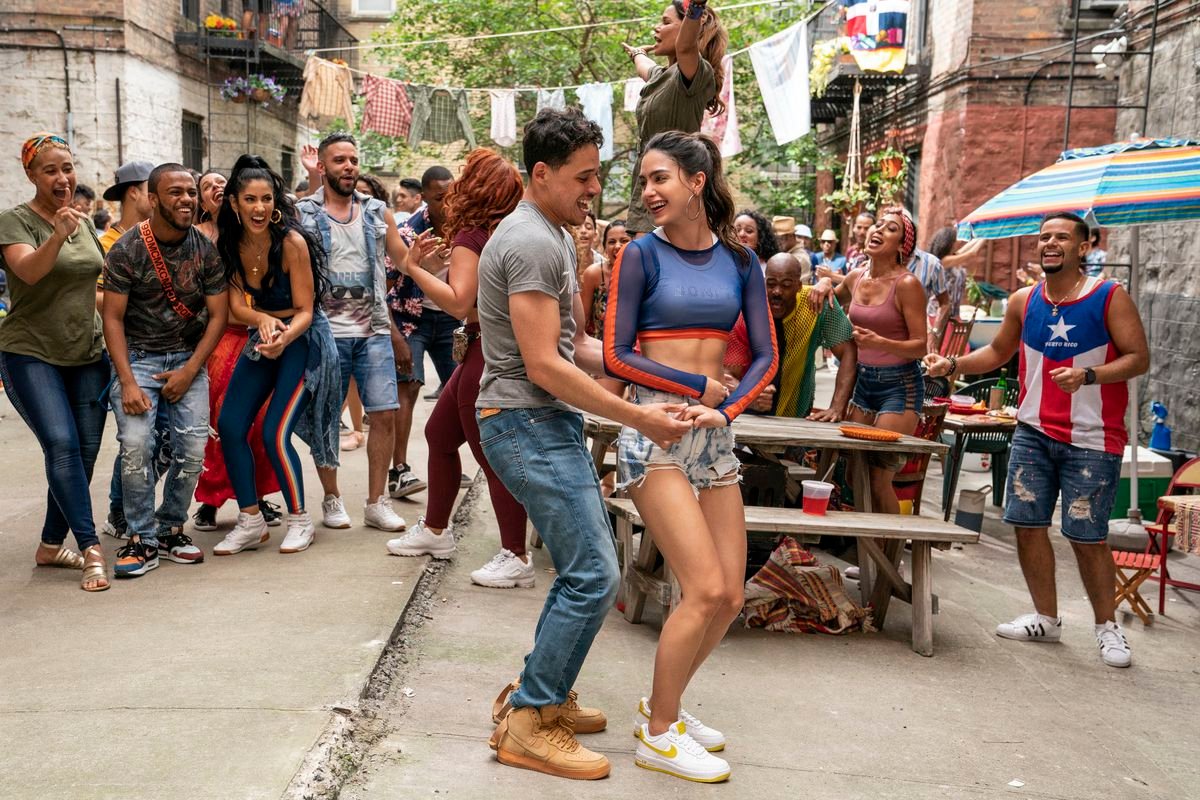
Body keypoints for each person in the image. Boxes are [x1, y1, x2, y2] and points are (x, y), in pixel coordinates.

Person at [478, 109, 691, 781]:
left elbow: (581, 349)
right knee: (596, 573)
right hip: (525, 421)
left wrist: (669, 381)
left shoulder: (550, 234)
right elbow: (544, 365)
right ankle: (530, 722)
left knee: (583, 568)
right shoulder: (533, 241)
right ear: (540, 175)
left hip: (540, 421)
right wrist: (641, 420)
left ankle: (538, 693)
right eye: (584, 177)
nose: (595, 190)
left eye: (597, 175)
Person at [603, 130, 775, 783]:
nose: (648, 192)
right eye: (644, 181)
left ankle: (665, 709)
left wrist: (725, 410)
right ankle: (657, 735)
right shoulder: (640, 255)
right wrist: (695, 388)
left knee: (729, 594)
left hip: (713, 434)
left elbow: (765, 356)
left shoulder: (741, 263)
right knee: (701, 587)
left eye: (660, 179)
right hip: (656, 431)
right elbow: (618, 355)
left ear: (697, 181)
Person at [924, 212, 1149, 669]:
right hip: (1031, 430)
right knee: (1027, 526)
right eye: (1044, 237)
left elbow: (1138, 358)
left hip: (1093, 437)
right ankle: (1046, 618)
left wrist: (1089, 375)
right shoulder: (1024, 300)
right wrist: (952, 366)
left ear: (1083, 247)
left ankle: (1107, 628)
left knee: (1087, 537)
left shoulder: (1109, 296)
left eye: (1061, 237)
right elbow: (997, 353)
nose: (1049, 243)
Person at [383, 149, 533, 589]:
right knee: (439, 435)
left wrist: (413, 267)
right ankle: (434, 531)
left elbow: (458, 302)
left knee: (491, 457)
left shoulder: (470, 235)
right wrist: (434, 270)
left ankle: (516, 554)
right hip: (487, 347)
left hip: (485, 349)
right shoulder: (505, 231)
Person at [101, 163, 229, 578]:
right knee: (137, 446)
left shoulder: (205, 250)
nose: (187, 199)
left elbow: (218, 316)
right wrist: (125, 382)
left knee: (192, 451)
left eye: (191, 192)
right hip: (138, 360)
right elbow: (113, 319)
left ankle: (171, 527)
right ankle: (140, 538)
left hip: (187, 361)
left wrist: (190, 370)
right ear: (153, 200)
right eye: (175, 193)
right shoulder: (127, 249)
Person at [212, 155, 340, 555]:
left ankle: (300, 520)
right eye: (250, 199)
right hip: (265, 336)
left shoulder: (291, 242)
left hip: (303, 340)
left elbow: (306, 310)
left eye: (267, 199)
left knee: (274, 433)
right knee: (230, 425)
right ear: (234, 203)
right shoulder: (230, 242)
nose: (259, 208)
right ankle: (251, 521)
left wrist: (281, 335)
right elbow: (236, 308)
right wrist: (263, 319)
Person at [0, 133, 111, 592]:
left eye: (67, 167)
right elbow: (29, 271)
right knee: (62, 445)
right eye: (50, 170)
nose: (62, 178)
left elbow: (95, 288)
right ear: (31, 175)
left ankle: (50, 545)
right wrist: (59, 235)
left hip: (87, 352)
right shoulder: (14, 221)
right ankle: (90, 549)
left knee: (81, 456)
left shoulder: (83, 222)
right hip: (30, 353)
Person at [296, 132, 409, 532]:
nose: (349, 166)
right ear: (323, 166)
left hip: (373, 329)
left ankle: (377, 503)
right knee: (326, 416)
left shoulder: (378, 211)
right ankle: (331, 498)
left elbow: (402, 259)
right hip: (326, 332)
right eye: (339, 160)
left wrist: (420, 261)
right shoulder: (304, 211)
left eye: (353, 160)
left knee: (384, 413)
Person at [191, 168, 283, 533]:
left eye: (220, 182)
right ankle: (210, 501)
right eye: (206, 185)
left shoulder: (251, 234)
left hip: (256, 335)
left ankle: (257, 498)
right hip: (218, 340)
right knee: (218, 425)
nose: (215, 187)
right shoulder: (196, 237)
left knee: (259, 424)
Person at [829, 206, 928, 513]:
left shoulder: (907, 284)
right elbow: (831, 301)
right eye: (878, 225)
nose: (878, 230)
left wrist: (880, 342)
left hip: (899, 387)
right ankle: (865, 553)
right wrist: (822, 286)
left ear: (902, 247)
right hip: (864, 383)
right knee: (852, 472)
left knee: (876, 476)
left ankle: (888, 557)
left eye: (890, 228)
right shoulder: (856, 276)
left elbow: (921, 346)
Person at [623, 0, 725, 235]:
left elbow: (686, 48)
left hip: (672, 187)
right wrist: (637, 53)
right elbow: (644, 65)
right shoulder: (661, 76)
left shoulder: (692, 75)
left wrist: (696, 7)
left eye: (666, 22)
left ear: (688, 29)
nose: (656, 28)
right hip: (647, 185)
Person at [726, 252, 857, 420]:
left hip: (796, 413)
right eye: (771, 284)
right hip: (745, 416)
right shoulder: (746, 311)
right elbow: (725, 374)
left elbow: (848, 351)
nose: (777, 292)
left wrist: (837, 407)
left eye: (786, 285)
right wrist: (749, 397)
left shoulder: (815, 304)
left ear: (799, 286)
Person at [401, 165, 460, 402]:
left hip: (450, 315)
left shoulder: (466, 226)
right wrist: (422, 268)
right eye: (439, 198)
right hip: (413, 318)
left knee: (459, 387)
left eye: (451, 197)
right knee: (409, 385)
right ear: (424, 198)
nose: (447, 204)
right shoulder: (409, 231)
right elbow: (389, 281)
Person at [580, 219, 630, 396]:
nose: (617, 246)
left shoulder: (646, 274)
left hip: (640, 356)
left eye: (624, 241)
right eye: (611, 242)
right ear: (604, 247)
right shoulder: (594, 274)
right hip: (603, 355)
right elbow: (582, 323)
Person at [99, 161, 154, 253]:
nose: (158, 198)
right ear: (133, 193)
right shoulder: (105, 247)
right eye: (152, 189)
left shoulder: (160, 241)